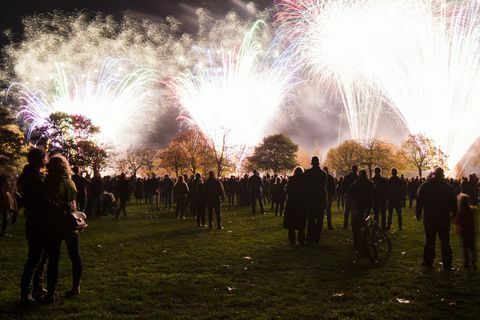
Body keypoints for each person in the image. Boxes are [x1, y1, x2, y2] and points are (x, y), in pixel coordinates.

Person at [43, 154, 78, 303]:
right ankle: (76, 287)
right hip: (71, 222)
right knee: (75, 255)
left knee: (54, 258)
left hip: (56, 223)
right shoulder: (70, 182)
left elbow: (49, 202)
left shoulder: (52, 182)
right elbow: (75, 201)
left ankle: (51, 292)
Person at [18, 148, 48, 304]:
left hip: (37, 219)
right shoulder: (33, 178)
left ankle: (37, 287)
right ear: (40, 159)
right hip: (37, 220)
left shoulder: (32, 175)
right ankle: (26, 292)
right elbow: (41, 198)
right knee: (35, 257)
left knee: (42, 256)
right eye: (45, 157)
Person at [416, 167, 457, 270]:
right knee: (445, 241)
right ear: (442, 175)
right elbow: (453, 203)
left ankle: (428, 261)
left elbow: (419, 200)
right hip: (443, 218)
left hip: (430, 218)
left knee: (430, 240)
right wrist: (454, 213)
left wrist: (418, 211)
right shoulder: (448, 187)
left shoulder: (425, 186)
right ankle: (447, 263)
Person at [348, 169, 374, 254]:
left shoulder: (355, 184)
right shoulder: (370, 183)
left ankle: (357, 247)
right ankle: (366, 244)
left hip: (357, 208)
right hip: (367, 207)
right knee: (366, 226)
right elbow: (373, 193)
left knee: (356, 228)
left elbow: (350, 195)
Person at [303, 156, 327, 245]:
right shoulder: (323, 174)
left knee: (311, 219)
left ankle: (309, 238)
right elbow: (324, 186)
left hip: (311, 199)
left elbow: (305, 186)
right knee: (319, 220)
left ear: (312, 163)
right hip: (320, 199)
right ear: (318, 163)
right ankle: (317, 238)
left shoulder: (308, 173)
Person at [283, 167, 306, 246]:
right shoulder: (304, 181)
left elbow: (287, 191)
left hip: (292, 203)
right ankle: (301, 241)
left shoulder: (291, 180)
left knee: (291, 223)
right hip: (301, 203)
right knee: (301, 223)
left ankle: (292, 240)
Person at [454, 194, 476, 269]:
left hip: (463, 232)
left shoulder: (460, 212)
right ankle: (473, 263)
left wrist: (457, 230)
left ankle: (466, 263)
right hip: (471, 231)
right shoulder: (471, 211)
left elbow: (457, 223)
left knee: (465, 248)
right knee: (472, 248)